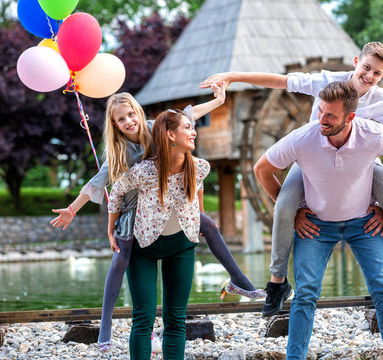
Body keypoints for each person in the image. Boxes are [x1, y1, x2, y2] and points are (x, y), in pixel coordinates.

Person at [200, 41, 383, 319]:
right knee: (284, 206)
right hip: (313, 160)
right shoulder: (328, 82)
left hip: (364, 164)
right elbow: (282, 81)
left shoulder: (379, 99)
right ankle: (277, 283)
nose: (369, 76)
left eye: (377, 73)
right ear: (356, 62)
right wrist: (233, 76)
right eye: (366, 68)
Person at [50, 90, 264, 352]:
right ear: (114, 126)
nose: (128, 121)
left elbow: (187, 117)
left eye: (131, 114)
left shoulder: (157, 129)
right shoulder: (118, 152)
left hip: (169, 204)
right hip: (133, 210)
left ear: (138, 112)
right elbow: (99, 184)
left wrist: (218, 101)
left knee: (208, 225)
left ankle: (238, 280)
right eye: (121, 119)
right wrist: (73, 209)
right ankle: (105, 325)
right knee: (120, 257)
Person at [254, 81, 383, 359]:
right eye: (321, 111)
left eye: (330, 115)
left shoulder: (373, 134)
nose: (321, 119)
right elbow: (262, 168)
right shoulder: (303, 138)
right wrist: (295, 212)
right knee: (305, 294)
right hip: (316, 226)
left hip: (364, 224)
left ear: (350, 117)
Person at [107, 107, 207, 359]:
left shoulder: (199, 167)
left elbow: (198, 191)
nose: (193, 132)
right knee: (144, 317)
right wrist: (111, 229)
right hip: (143, 248)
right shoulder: (144, 171)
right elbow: (117, 192)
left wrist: (199, 220)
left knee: (176, 318)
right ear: (171, 135)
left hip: (181, 246)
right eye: (187, 127)